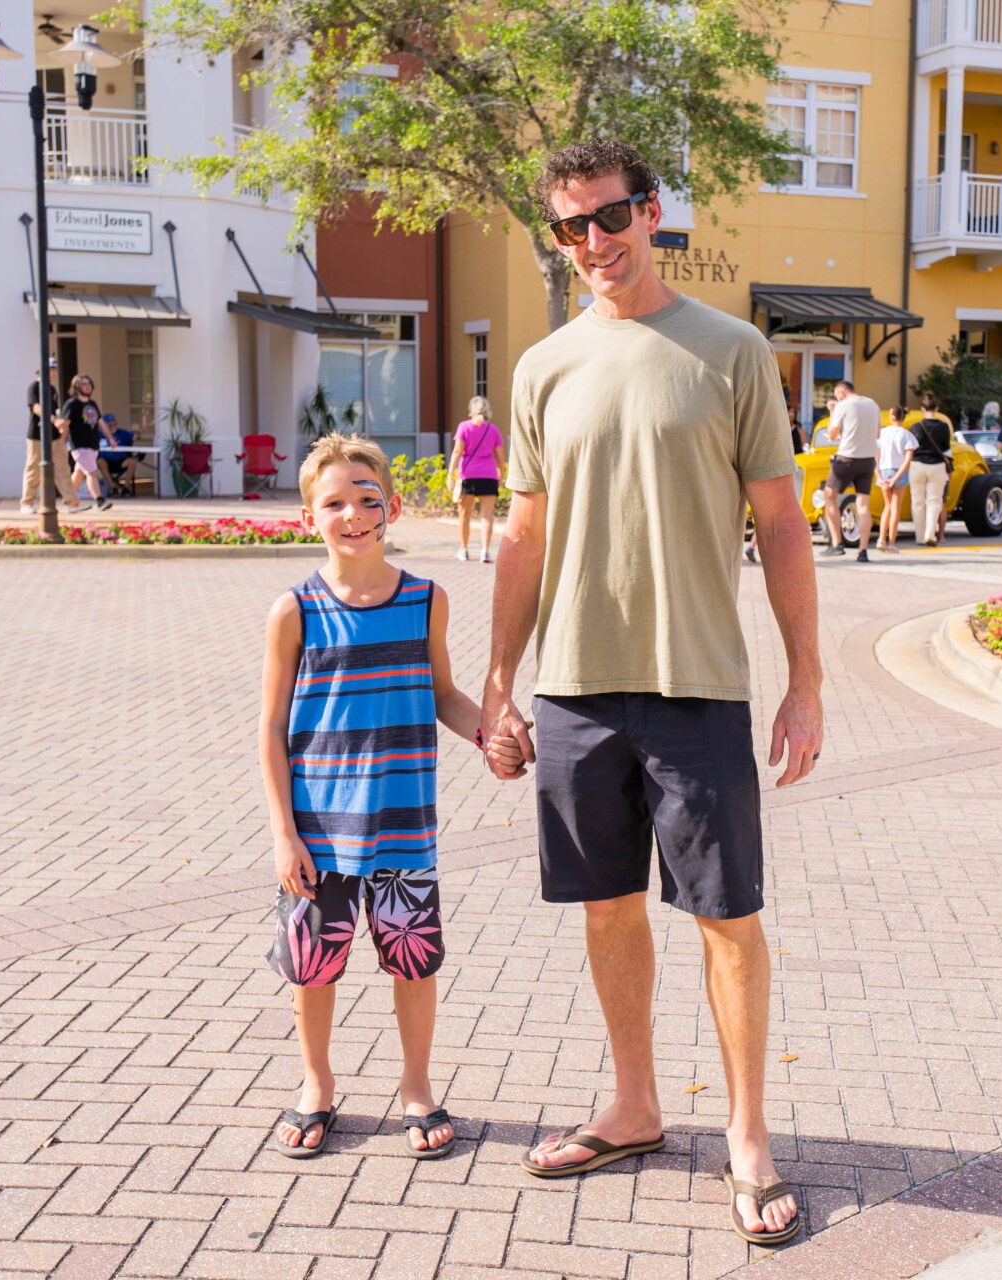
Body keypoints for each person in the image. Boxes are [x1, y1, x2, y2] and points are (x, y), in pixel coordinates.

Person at [478, 139, 819, 1245]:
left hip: (697, 684)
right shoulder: (542, 368)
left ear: (653, 210)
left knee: (728, 918)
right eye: (571, 227)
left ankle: (750, 1134)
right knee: (609, 906)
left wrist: (806, 680)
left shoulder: (731, 352)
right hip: (576, 685)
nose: (593, 243)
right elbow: (522, 536)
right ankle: (632, 1103)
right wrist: (497, 680)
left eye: (609, 217)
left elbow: (779, 522)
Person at [260, 433, 521, 1162]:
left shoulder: (425, 600)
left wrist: (490, 734)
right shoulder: (295, 610)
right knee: (312, 967)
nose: (352, 514)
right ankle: (316, 1083)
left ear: (393, 507)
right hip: (319, 832)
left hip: (405, 827)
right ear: (309, 515)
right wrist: (284, 835)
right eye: (334, 502)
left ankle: (416, 1085)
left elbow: (443, 692)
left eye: (366, 499)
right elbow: (271, 729)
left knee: (414, 961)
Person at [823, 380, 881, 562]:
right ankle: (863, 551)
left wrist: (833, 411)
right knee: (863, 505)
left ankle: (837, 544)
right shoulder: (873, 404)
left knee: (829, 497)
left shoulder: (843, 405)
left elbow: (832, 434)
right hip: (868, 459)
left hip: (846, 458)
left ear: (841, 393)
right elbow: (877, 433)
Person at [449, 396, 506, 563]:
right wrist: (500, 475)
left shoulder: (463, 427)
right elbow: (501, 457)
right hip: (488, 475)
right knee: (487, 516)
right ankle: (485, 551)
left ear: (470, 411)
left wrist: (450, 474)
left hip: (468, 475)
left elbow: (457, 452)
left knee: (464, 515)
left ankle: (464, 550)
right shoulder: (493, 430)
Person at [22, 359, 73, 514]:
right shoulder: (34, 387)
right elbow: (36, 408)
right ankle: (26, 503)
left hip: (54, 436)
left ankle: (71, 502)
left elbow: (56, 410)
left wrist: (62, 422)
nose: (53, 373)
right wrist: (53, 419)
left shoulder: (51, 389)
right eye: (51, 369)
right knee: (33, 469)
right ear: (41, 370)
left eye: (55, 369)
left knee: (62, 467)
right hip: (37, 435)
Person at [62, 373, 112, 512]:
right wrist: (61, 442)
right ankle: (99, 500)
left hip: (93, 445)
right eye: (84, 384)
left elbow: (100, 422)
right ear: (77, 386)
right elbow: (65, 424)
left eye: (89, 383)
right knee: (92, 472)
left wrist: (110, 438)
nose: (87, 386)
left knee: (79, 473)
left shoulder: (92, 404)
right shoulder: (71, 404)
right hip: (79, 446)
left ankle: (69, 500)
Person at [909, 391, 952, 547]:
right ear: (937, 408)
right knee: (934, 502)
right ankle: (930, 533)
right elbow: (947, 450)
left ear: (922, 409)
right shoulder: (944, 427)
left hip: (917, 466)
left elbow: (910, 448)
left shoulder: (915, 427)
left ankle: (920, 536)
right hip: (937, 467)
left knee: (917, 502)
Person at [874, 405, 917, 552]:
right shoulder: (907, 435)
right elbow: (908, 458)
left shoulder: (883, 433)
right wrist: (896, 477)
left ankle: (881, 539)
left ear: (891, 416)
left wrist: (879, 475)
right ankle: (891, 543)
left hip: (884, 471)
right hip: (899, 471)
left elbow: (876, 456)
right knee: (895, 509)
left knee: (887, 507)